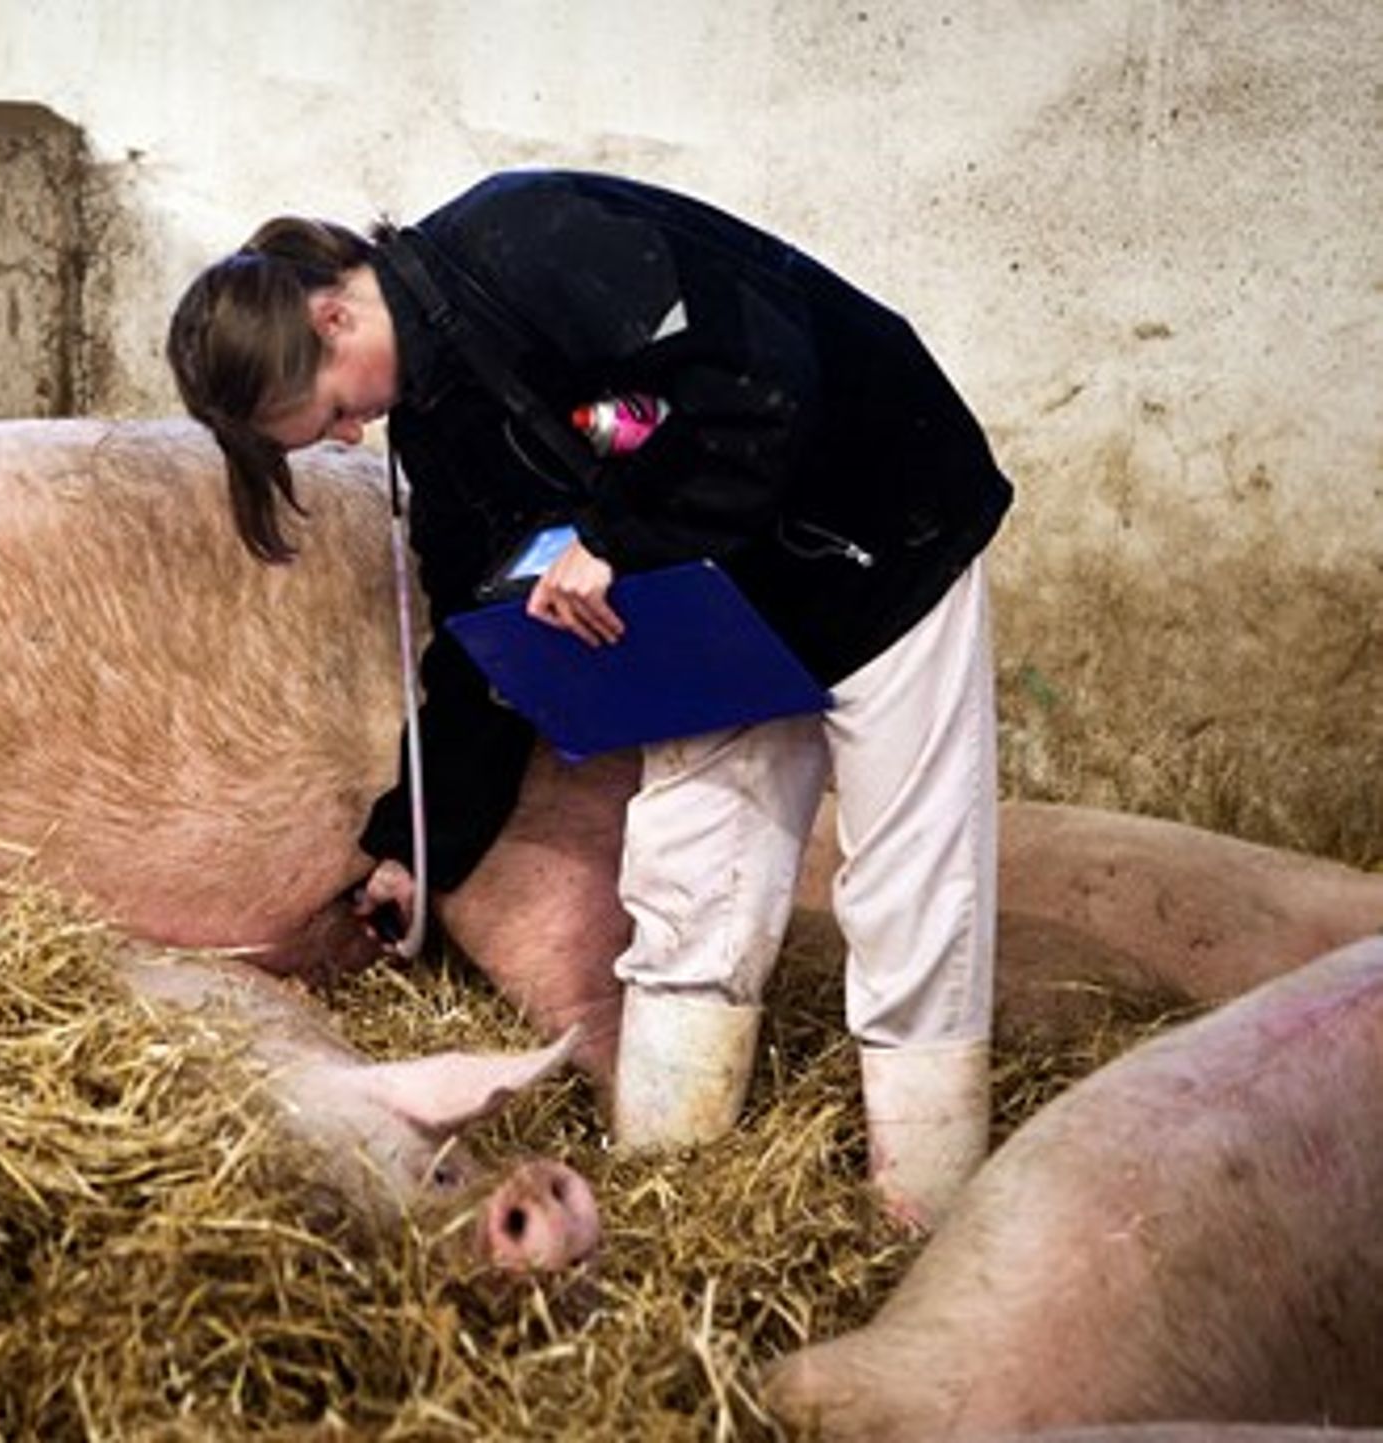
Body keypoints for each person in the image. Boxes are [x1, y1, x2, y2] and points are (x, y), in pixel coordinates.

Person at [164, 169, 1011, 1229]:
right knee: (686, 861)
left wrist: (617, 544)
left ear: (332, 315)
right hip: (727, 590)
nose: (345, 439)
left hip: (885, 524)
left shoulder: (531, 239)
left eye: (332, 411)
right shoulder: (435, 418)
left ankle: (921, 1211)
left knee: (905, 868)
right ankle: (671, 1187)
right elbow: (477, 636)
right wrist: (416, 847)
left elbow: (761, 380)